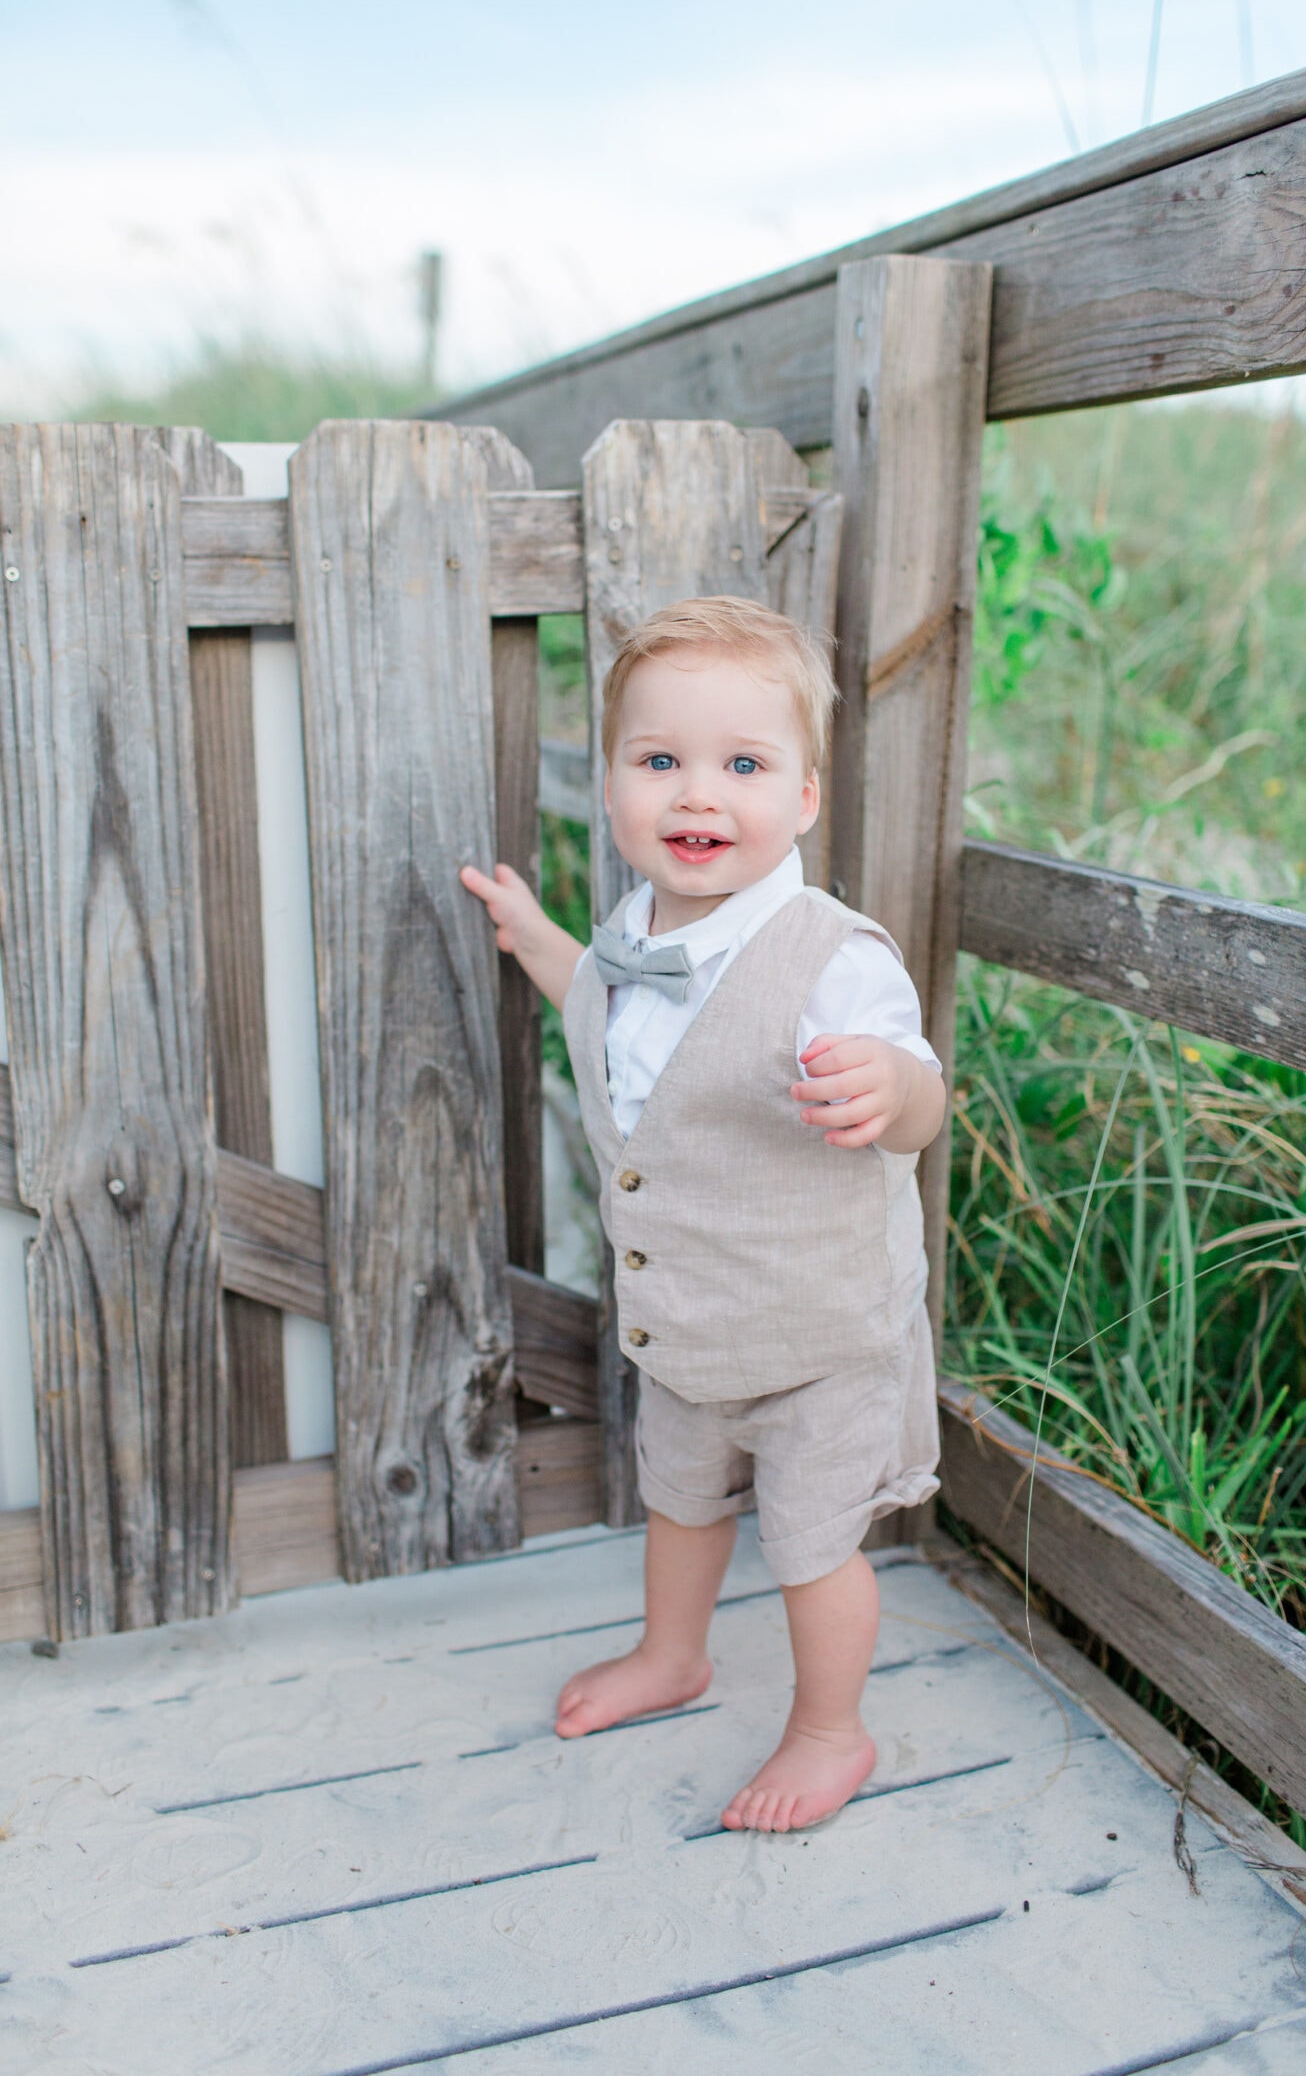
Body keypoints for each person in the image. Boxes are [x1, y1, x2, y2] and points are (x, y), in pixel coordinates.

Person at [461, 595, 946, 1833]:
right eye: (659, 760)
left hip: (819, 1335)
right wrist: (537, 940)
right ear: (613, 779)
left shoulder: (830, 956)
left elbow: (925, 1096)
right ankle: (671, 1655)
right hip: (686, 1324)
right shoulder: (634, 932)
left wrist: (888, 1089)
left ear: (803, 798)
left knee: (812, 1544)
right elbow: (611, 1012)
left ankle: (832, 1731)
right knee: (678, 1501)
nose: (697, 796)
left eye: (742, 765)